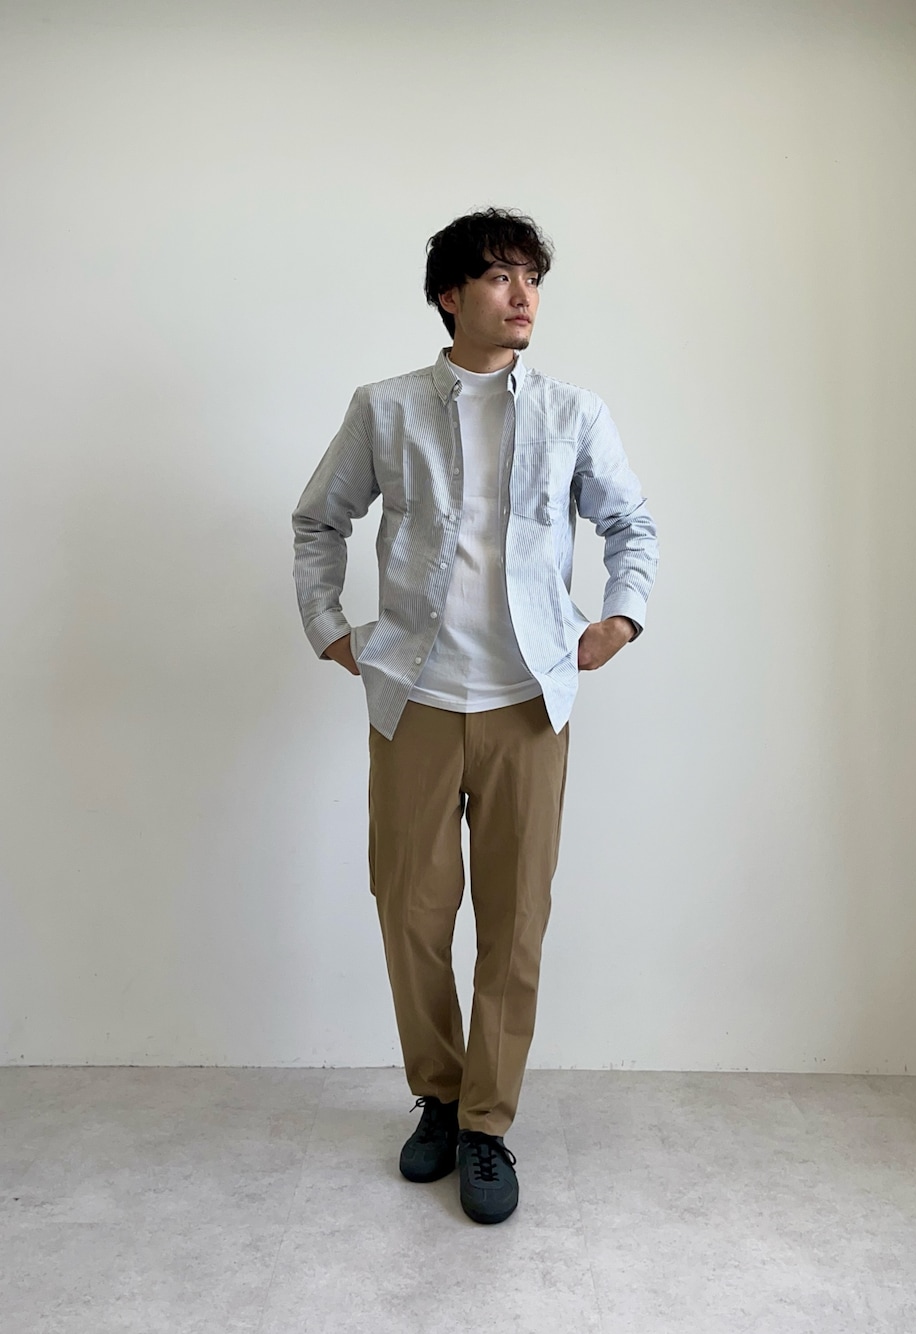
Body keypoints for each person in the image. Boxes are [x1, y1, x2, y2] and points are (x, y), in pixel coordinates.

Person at [292, 207, 658, 1225]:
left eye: (532, 276)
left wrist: (621, 616)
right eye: (500, 275)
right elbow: (320, 519)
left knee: (515, 920)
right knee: (409, 912)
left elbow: (631, 523)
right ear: (450, 295)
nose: (523, 294)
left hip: (528, 704)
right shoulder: (384, 408)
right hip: (413, 697)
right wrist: (329, 629)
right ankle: (441, 1097)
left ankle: (488, 1124)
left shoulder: (575, 413)